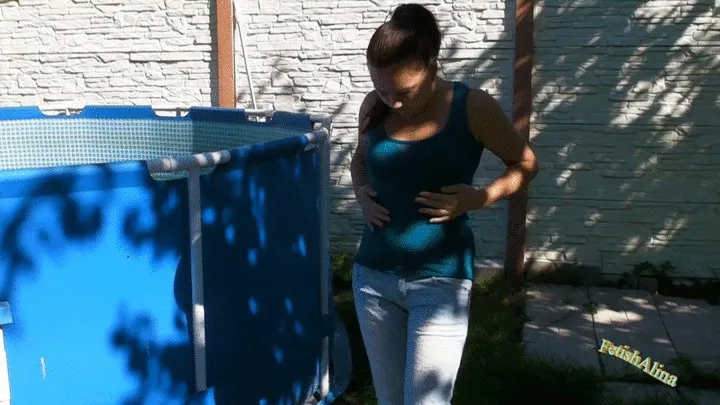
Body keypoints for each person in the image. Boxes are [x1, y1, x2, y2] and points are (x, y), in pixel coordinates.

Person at [349, 3, 539, 405]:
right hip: (374, 278)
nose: (391, 101)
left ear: (433, 66)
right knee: (389, 400)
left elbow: (525, 165)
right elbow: (359, 161)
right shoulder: (374, 106)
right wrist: (361, 193)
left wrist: (480, 197)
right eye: (381, 87)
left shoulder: (472, 108)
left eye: (403, 92)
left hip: (440, 281)